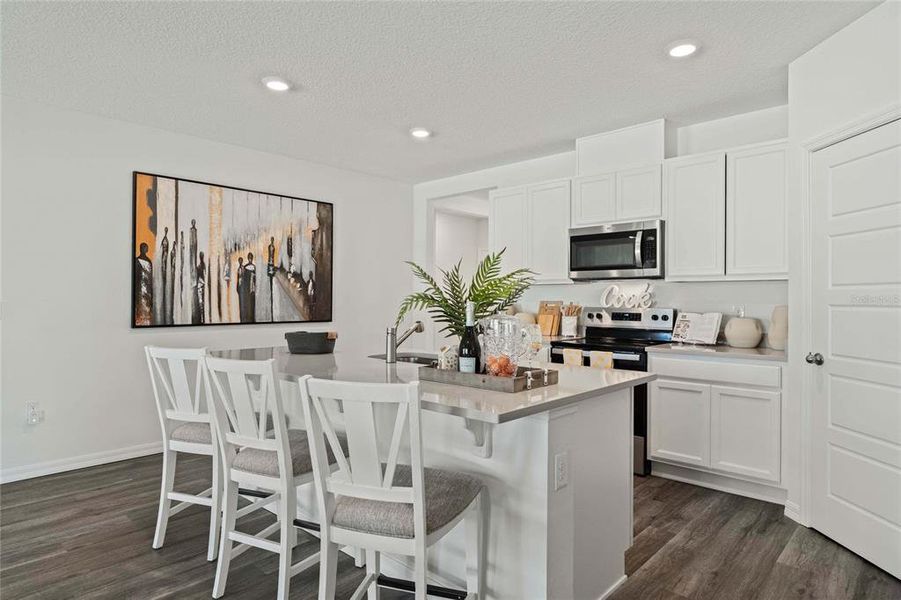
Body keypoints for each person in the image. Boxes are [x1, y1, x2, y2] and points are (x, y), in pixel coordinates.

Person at [134, 242, 153, 325]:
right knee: (140, 308)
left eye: (146, 248)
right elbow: (136, 276)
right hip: (141, 289)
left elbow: (150, 277)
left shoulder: (149, 261)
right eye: (144, 248)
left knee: (147, 310)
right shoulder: (137, 261)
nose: (145, 249)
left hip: (147, 290)